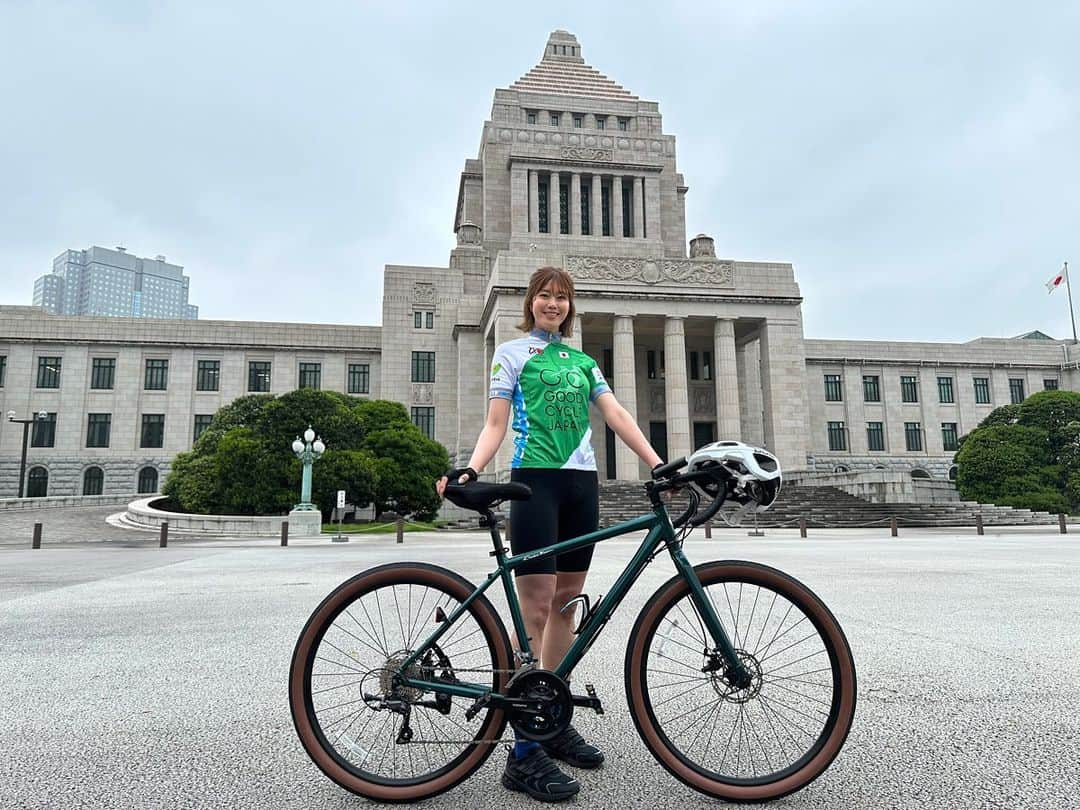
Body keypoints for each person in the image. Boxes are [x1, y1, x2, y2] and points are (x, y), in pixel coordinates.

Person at [436, 266, 664, 802]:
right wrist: (471, 468)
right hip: (533, 481)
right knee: (535, 609)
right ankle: (522, 750)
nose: (553, 304)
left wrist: (658, 464)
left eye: (562, 297)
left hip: (581, 484)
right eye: (545, 295)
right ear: (531, 301)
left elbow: (616, 415)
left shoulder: (584, 362)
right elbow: (496, 423)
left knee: (566, 604)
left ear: (571, 306)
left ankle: (550, 719)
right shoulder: (513, 355)